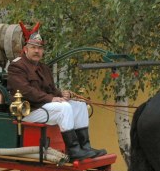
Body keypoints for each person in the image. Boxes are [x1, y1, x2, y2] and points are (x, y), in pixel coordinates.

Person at [7, 32, 106, 160]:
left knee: (80, 104)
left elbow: (51, 89)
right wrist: (51, 98)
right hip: (29, 111)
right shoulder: (17, 66)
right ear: (25, 49)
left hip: (44, 107)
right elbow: (26, 91)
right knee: (64, 108)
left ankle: (85, 147)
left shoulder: (44, 68)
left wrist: (62, 94)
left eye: (40, 48)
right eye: (33, 47)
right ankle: (73, 151)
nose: (37, 51)